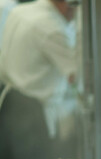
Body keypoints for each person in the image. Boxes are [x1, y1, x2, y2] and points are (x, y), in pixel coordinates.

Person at [0, 0, 79, 141]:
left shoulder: (20, 11)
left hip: (9, 103)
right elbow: (77, 76)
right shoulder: (52, 27)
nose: (76, 12)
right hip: (32, 114)